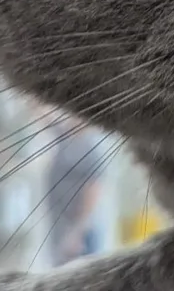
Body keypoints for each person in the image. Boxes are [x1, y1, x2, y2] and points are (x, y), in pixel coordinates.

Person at [43, 111, 105, 267]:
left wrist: (77, 232)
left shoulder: (90, 148)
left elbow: (93, 190)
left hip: (80, 233)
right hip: (63, 227)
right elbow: (44, 117)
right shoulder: (65, 138)